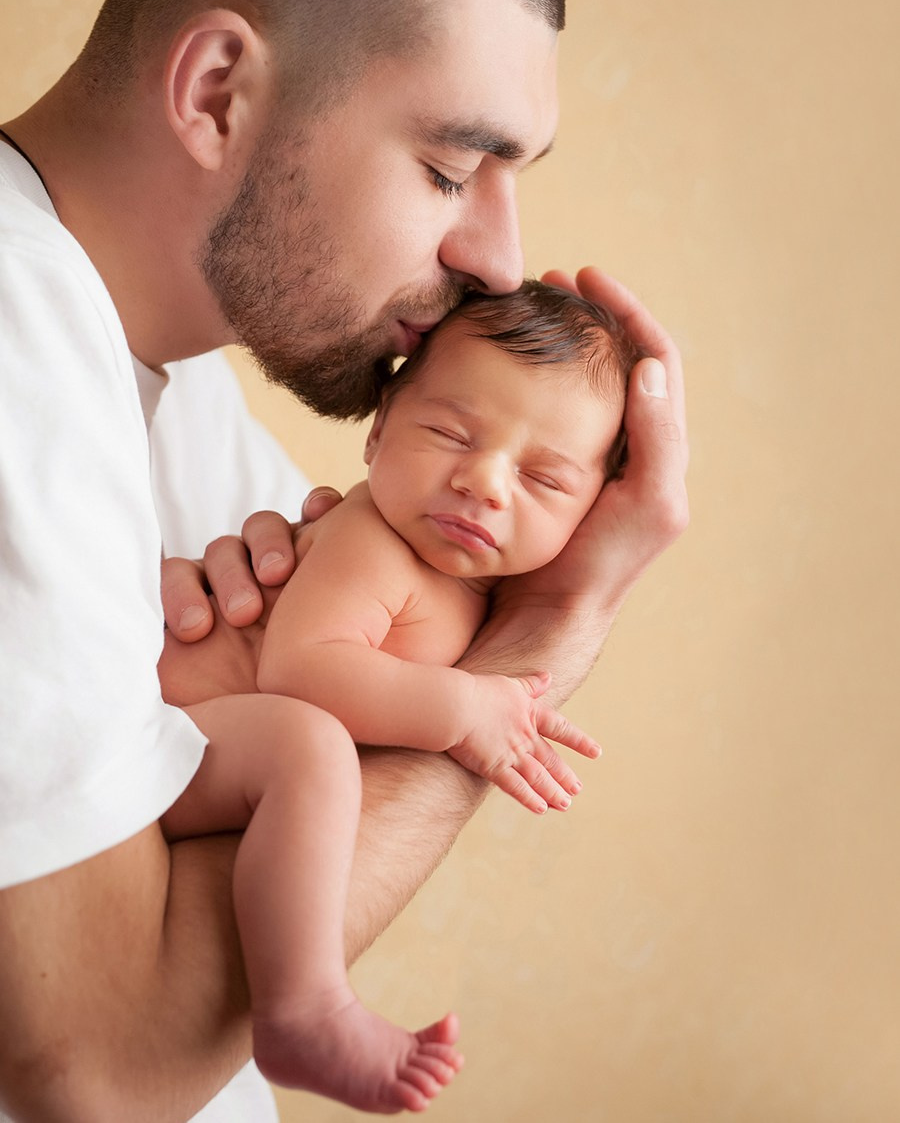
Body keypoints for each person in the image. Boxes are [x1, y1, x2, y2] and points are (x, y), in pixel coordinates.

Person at [0, 0, 688, 1121]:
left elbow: (374, 674)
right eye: (448, 169)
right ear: (216, 92)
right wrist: (559, 619)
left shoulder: (173, 384)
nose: (497, 252)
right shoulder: (11, 338)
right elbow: (103, 1062)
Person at [160, 281, 631, 1113]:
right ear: (377, 432)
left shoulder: (473, 592)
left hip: (188, 772)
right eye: (450, 432)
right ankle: (302, 1009)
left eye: (545, 480)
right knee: (308, 745)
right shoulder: (374, 539)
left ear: (590, 516)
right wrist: (465, 708)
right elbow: (303, 672)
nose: (485, 481)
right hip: (150, 736)